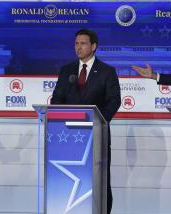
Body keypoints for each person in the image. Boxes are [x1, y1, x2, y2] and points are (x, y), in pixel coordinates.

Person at [51, 29, 121, 214]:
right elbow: (56, 99)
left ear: (94, 46)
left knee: (100, 180)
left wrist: (97, 122)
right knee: (70, 177)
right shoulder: (66, 71)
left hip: (97, 136)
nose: (78, 47)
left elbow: (114, 101)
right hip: (69, 135)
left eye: (82, 43)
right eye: (76, 43)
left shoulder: (107, 71)